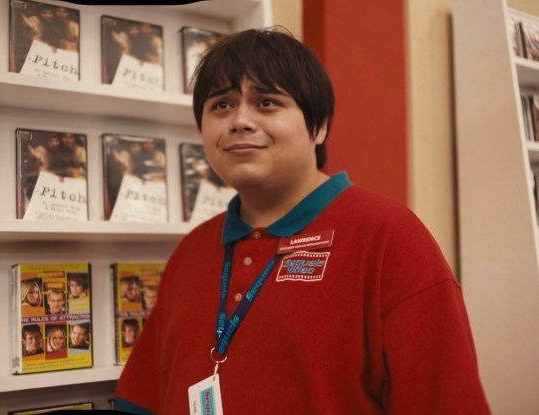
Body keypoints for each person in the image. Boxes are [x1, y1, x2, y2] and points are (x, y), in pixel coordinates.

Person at [115, 27, 491, 414]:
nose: (239, 121)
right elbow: (142, 398)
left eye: (266, 102)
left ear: (320, 125)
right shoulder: (191, 250)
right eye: (221, 105)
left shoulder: (390, 237)